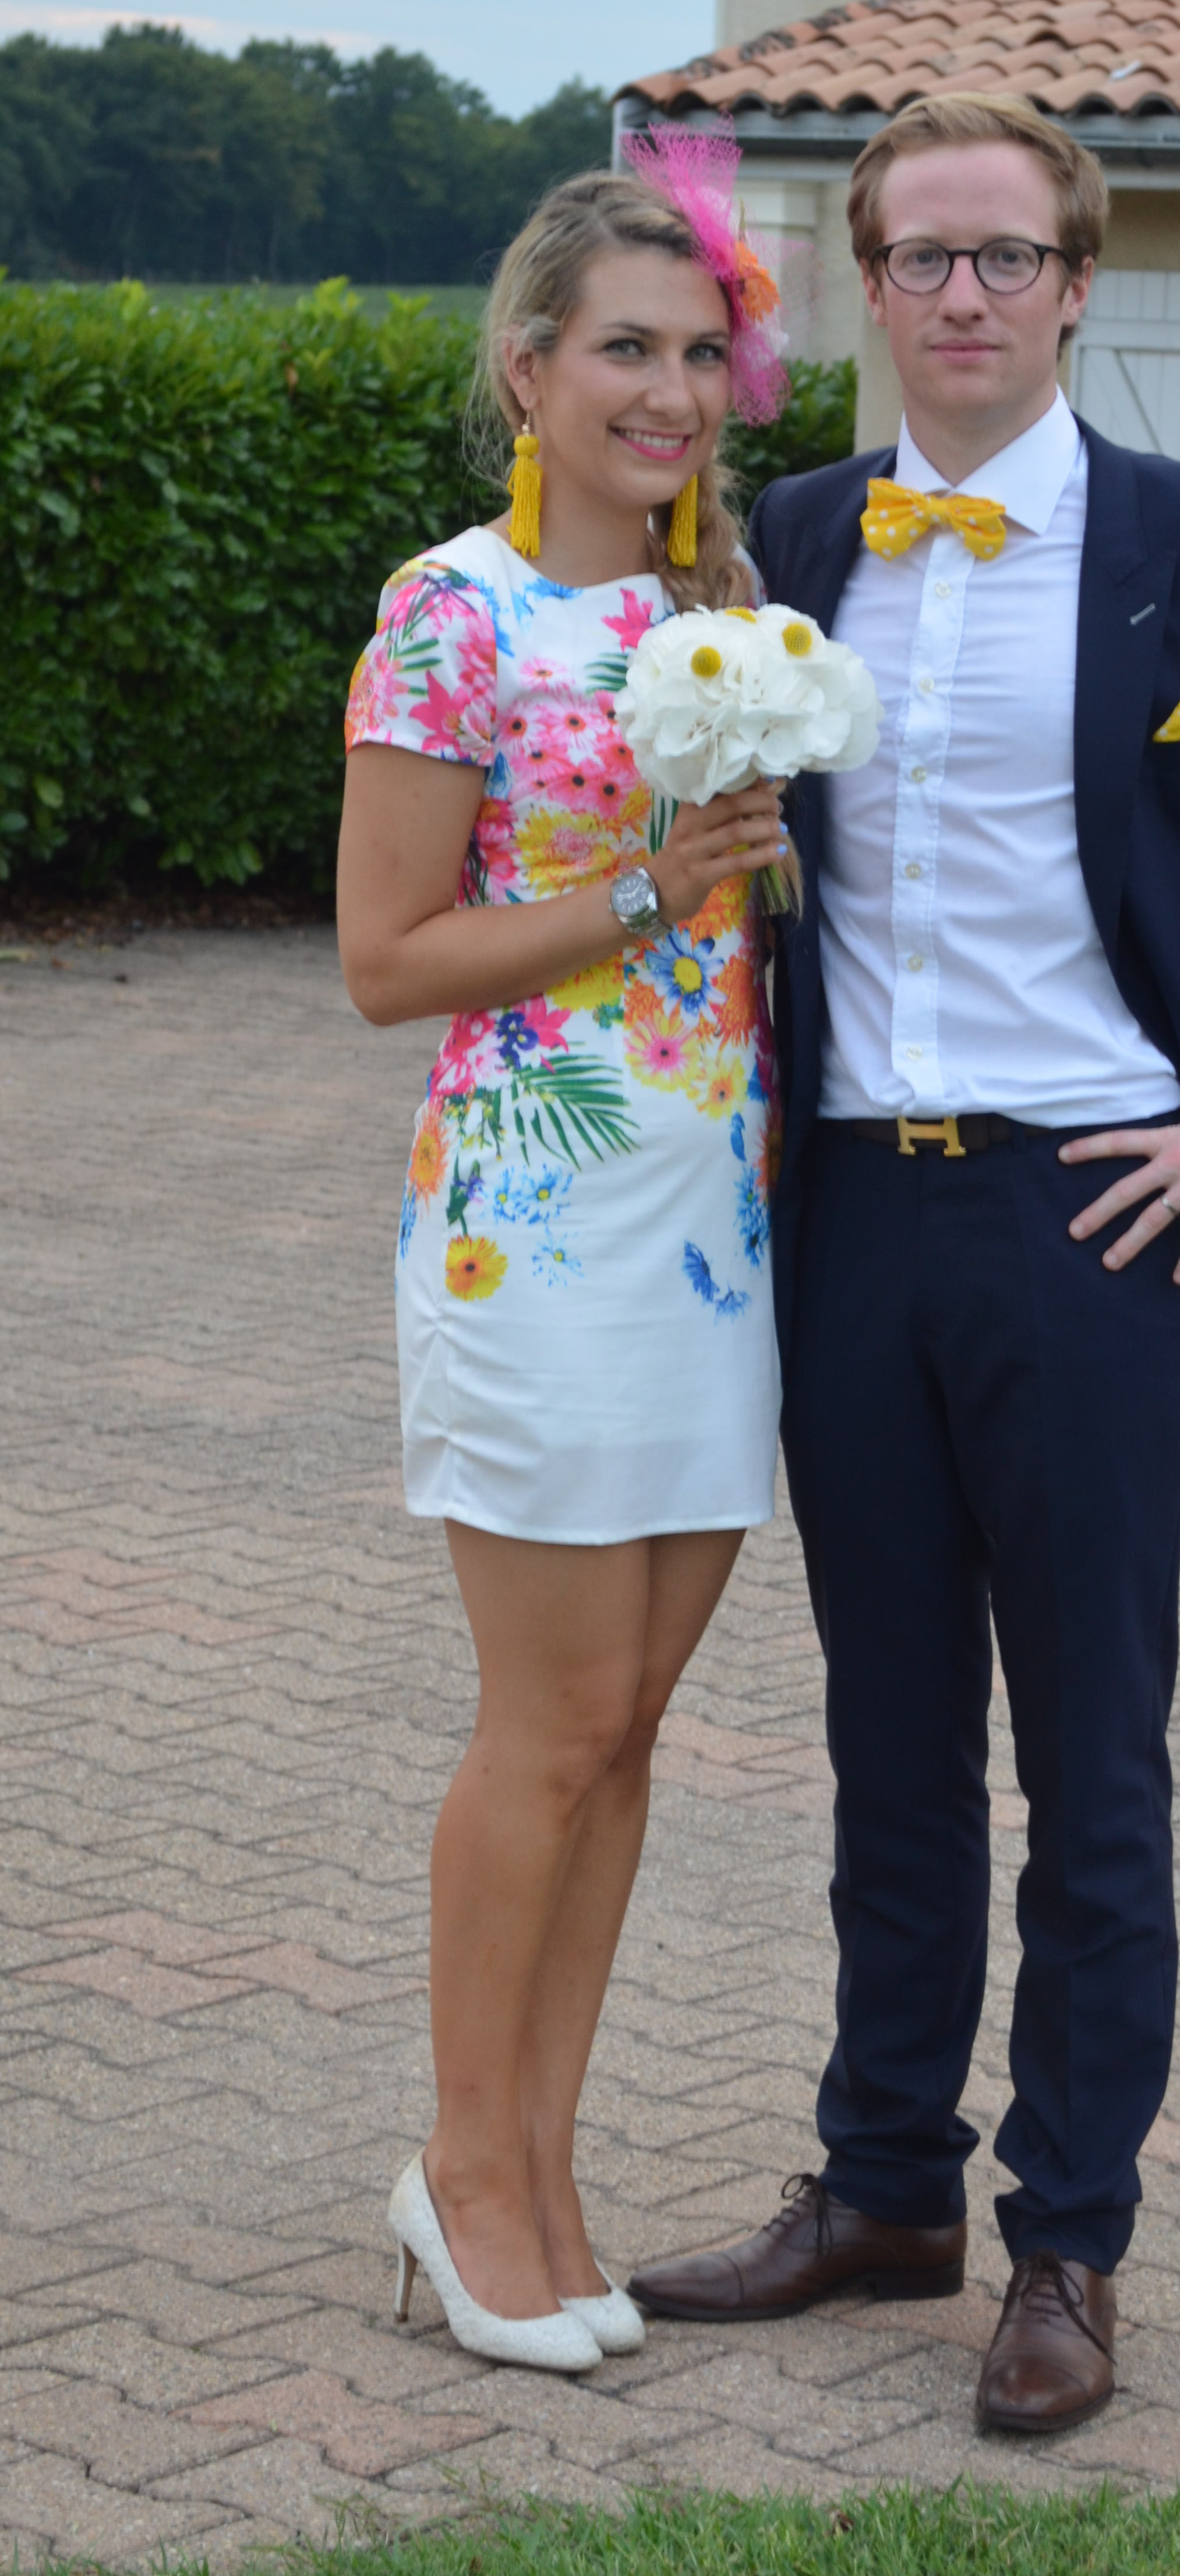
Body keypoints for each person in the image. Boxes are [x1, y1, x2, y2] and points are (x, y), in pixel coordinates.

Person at [625, 92, 1180, 2433]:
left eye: (1009, 255)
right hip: (850, 1214)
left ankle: (1069, 2240)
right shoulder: (794, 539)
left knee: (1090, 1752)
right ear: (873, 281)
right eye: (923, 255)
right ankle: (883, 2179)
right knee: (885, 1737)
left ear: (1079, 286)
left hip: (1098, 1217)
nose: (966, 294)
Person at [336, 147, 791, 2372]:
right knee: (548, 1727)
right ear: (530, 371)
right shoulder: (455, 613)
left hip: (717, 1227)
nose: (670, 391)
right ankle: (461, 2175)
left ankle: (550, 2158)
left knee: (629, 1733)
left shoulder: (734, 600)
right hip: (536, 1217)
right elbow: (383, 957)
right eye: (626, 347)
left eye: (702, 351)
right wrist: (650, 888)